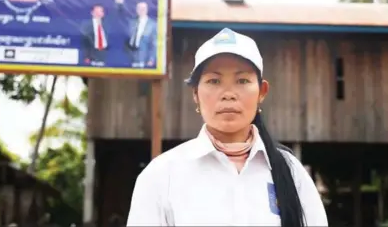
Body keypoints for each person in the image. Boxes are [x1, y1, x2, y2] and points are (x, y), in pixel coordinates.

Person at [126, 28, 328, 227]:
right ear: (195, 94)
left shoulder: (291, 172)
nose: (228, 94)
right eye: (214, 81)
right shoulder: (162, 175)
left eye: (242, 81)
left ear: (262, 92)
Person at [114, 0, 157, 68]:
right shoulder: (132, 21)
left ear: (147, 10)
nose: (141, 10)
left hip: (142, 57)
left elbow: (154, 44)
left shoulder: (152, 25)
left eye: (143, 8)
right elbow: (123, 13)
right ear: (136, 10)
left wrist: (151, 59)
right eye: (139, 8)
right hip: (129, 55)